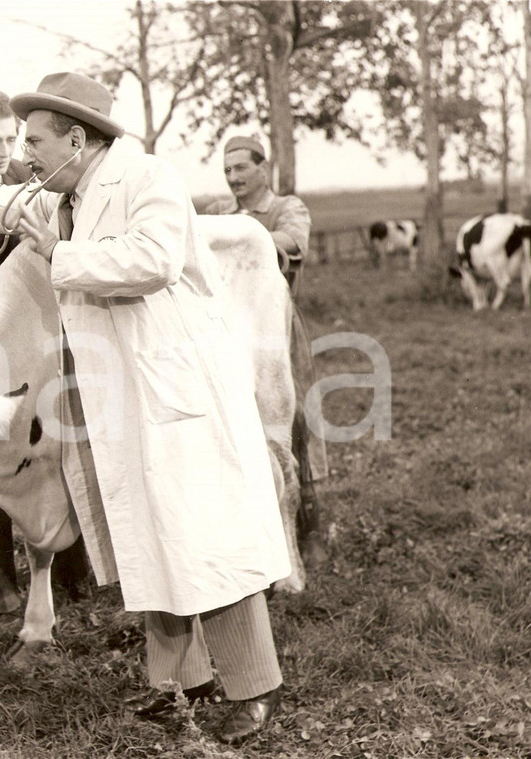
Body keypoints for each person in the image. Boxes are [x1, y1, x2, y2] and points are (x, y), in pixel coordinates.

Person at [0, 72, 289, 744]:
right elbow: (12, 205)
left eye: (34, 141)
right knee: (153, 538)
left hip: (177, 394)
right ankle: (177, 680)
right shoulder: (69, 193)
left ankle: (254, 687)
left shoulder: (146, 178)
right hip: (125, 397)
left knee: (208, 536)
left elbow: (152, 259)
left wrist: (60, 256)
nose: (25, 155)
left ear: (75, 137)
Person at [0, 87, 90, 616]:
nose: (6, 151)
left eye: (13, 140)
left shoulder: (29, 187)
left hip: (36, 336)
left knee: (54, 443)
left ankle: (72, 570)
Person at [207, 135, 328, 566]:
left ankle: (309, 527)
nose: (233, 177)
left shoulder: (286, 208)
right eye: (227, 171)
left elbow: (294, 242)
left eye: (241, 168)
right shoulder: (219, 213)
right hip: (228, 328)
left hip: (277, 328)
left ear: (263, 168)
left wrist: (241, 235)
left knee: (294, 424)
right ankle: (252, 530)